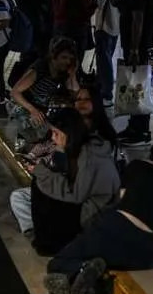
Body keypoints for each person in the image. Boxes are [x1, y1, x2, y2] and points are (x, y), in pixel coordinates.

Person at [44, 138, 153, 294]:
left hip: (115, 227)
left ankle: (83, 270)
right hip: (145, 251)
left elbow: (120, 201)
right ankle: (92, 278)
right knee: (113, 263)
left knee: (58, 263)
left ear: (152, 155)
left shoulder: (138, 166)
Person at [28, 107, 121, 256]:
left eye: (56, 133)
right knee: (39, 188)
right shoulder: (82, 148)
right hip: (85, 203)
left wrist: (41, 172)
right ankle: (45, 239)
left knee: (42, 189)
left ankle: (49, 243)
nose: (53, 138)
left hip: (95, 212)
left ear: (70, 132)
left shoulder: (89, 156)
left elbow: (75, 193)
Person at [112, 0, 153, 147]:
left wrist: (133, 48)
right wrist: (119, 3)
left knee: (138, 84)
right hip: (135, 43)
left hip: (137, 44)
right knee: (134, 85)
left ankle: (141, 130)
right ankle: (135, 126)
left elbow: (138, 16)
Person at [91, 0, 124, 107]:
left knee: (103, 61)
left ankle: (106, 94)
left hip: (103, 25)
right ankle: (105, 91)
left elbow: (100, 0)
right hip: (115, 26)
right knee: (107, 59)